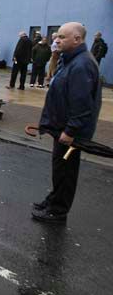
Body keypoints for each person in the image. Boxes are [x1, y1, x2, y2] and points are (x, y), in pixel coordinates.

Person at [32, 22, 101, 223]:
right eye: (56, 36)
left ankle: (58, 210)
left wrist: (71, 131)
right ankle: (54, 199)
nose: (56, 40)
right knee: (60, 169)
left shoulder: (82, 64)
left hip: (70, 132)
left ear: (77, 39)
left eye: (62, 37)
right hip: (61, 127)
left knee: (66, 171)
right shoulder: (71, 60)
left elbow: (82, 105)